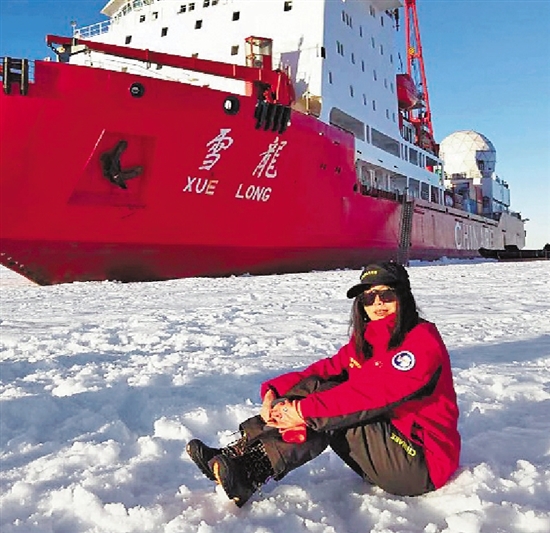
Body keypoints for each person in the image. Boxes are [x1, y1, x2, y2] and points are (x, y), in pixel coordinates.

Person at [186, 261, 461, 507]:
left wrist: (302, 411)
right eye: (368, 297)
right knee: (318, 388)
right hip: (386, 449)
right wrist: (274, 392)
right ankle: (241, 454)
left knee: (328, 405)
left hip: (420, 464)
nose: (377, 303)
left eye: (386, 294)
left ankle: (251, 471)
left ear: (404, 297)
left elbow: (372, 395)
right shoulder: (367, 342)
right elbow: (324, 370)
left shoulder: (420, 343)